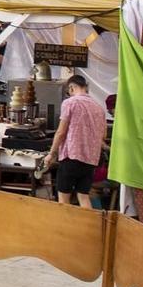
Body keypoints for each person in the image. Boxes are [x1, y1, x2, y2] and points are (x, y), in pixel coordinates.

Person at [44, 75, 107, 209]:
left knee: (63, 198)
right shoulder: (99, 108)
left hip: (71, 156)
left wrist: (52, 153)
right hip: (90, 159)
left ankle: (65, 228)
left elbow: (61, 132)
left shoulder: (70, 103)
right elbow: (103, 135)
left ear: (71, 87)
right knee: (83, 196)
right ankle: (87, 228)